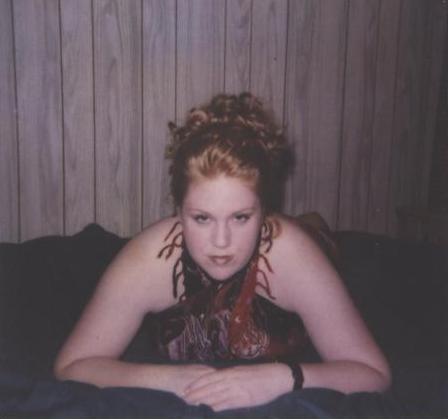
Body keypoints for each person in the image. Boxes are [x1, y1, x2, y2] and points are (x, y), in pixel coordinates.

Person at [54, 92, 391, 412]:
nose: (221, 241)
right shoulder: (150, 257)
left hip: (308, 242)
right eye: (202, 218)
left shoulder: (292, 255)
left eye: (240, 217)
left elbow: (373, 373)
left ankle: (311, 224)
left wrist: (282, 378)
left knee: (315, 234)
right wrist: (166, 380)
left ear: (264, 211)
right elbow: (72, 365)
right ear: (178, 212)